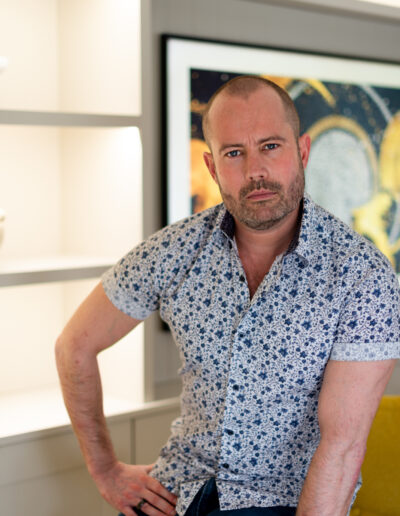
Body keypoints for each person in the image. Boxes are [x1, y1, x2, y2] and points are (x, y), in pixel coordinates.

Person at [55, 75, 400, 516]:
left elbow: (343, 446)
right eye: (234, 153)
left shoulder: (361, 275)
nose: (255, 171)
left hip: (283, 501)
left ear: (303, 152)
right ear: (213, 167)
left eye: (271, 147)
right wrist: (104, 470)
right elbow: (73, 346)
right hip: (177, 493)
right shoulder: (174, 250)